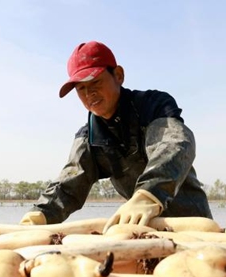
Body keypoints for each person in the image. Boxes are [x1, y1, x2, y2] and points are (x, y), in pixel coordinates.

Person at [19, 40, 212, 231]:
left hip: (193, 225)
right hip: (143, 230)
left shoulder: (153, 106)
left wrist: (148, 195)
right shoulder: (90, 137)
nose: (89, 94)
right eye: (81, 88)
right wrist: (39, 215)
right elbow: (68, 187)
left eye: (95, 82)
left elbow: (176, 144)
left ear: (118, 75)